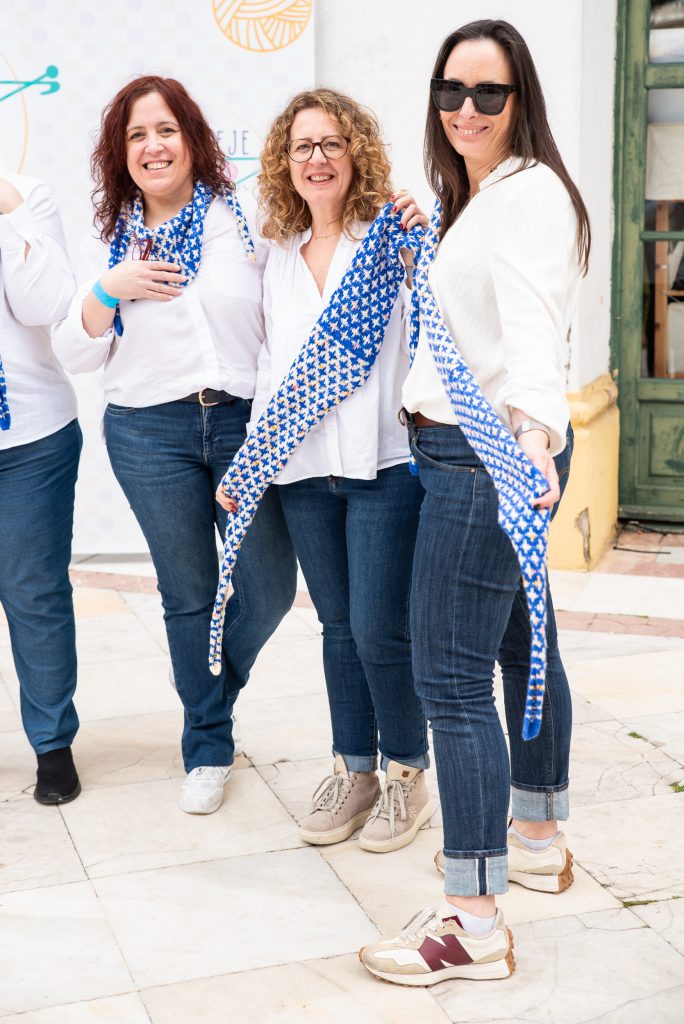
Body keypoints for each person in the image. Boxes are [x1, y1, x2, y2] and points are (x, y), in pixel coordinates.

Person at [359, 19, 590, 984]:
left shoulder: (526, 196)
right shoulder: (490, 196)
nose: (466, 108)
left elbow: (532, 330)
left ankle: (473, 921)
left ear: (520, 99)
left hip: (484, 456)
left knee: (449, 680)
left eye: (488, 93)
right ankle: (534, 837)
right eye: (451, 90)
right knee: (520, 646)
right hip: (478, 452)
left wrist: (531, 435)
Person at [53, 76, 297, 815]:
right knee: (188, 593)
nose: (153, 146)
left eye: (166, 130)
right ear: (119, 152)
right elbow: (75, 351)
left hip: (242, 423)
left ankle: (204, 687)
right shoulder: (107, 240)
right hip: (148, 432)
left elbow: (287, 310)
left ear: (192, 140)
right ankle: (208, 744)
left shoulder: (243, 221)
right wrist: (109, 289)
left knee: (270, 586)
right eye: (136, 135)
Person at [221, 89, 431, 852]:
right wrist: (251, 461)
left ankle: (407, 773)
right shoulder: (276, 253)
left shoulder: (392, 239)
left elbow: (437, 325)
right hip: (304, 470)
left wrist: (427, 242)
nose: (317, 158)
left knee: (379, 627)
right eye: (302, 146)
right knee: (337, 627)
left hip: (384, 464)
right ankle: (355, 770)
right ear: (285, 161)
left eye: (331, 144)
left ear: (356, 154)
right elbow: (270, 365)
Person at [0, 169, 82, 804]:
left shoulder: (29, 195)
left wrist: (6, 208)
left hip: (31, 438)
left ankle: (52, 745)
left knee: (35, 594)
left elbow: (43, 304)